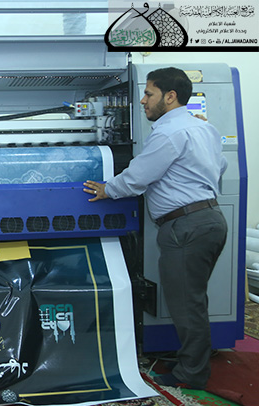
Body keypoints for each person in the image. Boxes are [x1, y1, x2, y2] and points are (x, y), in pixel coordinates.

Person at [83, 67, 228, 389]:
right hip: (210, 219)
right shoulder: (205, 128)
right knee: (193, 299)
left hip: (186, 226)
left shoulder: (168, 133)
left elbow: (139, 176)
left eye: (149, 93)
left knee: (186, 303)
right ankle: (195, 357)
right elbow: (221, 167)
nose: (143, 100)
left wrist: (108, 189)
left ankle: (192, 374)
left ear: (170, 96)